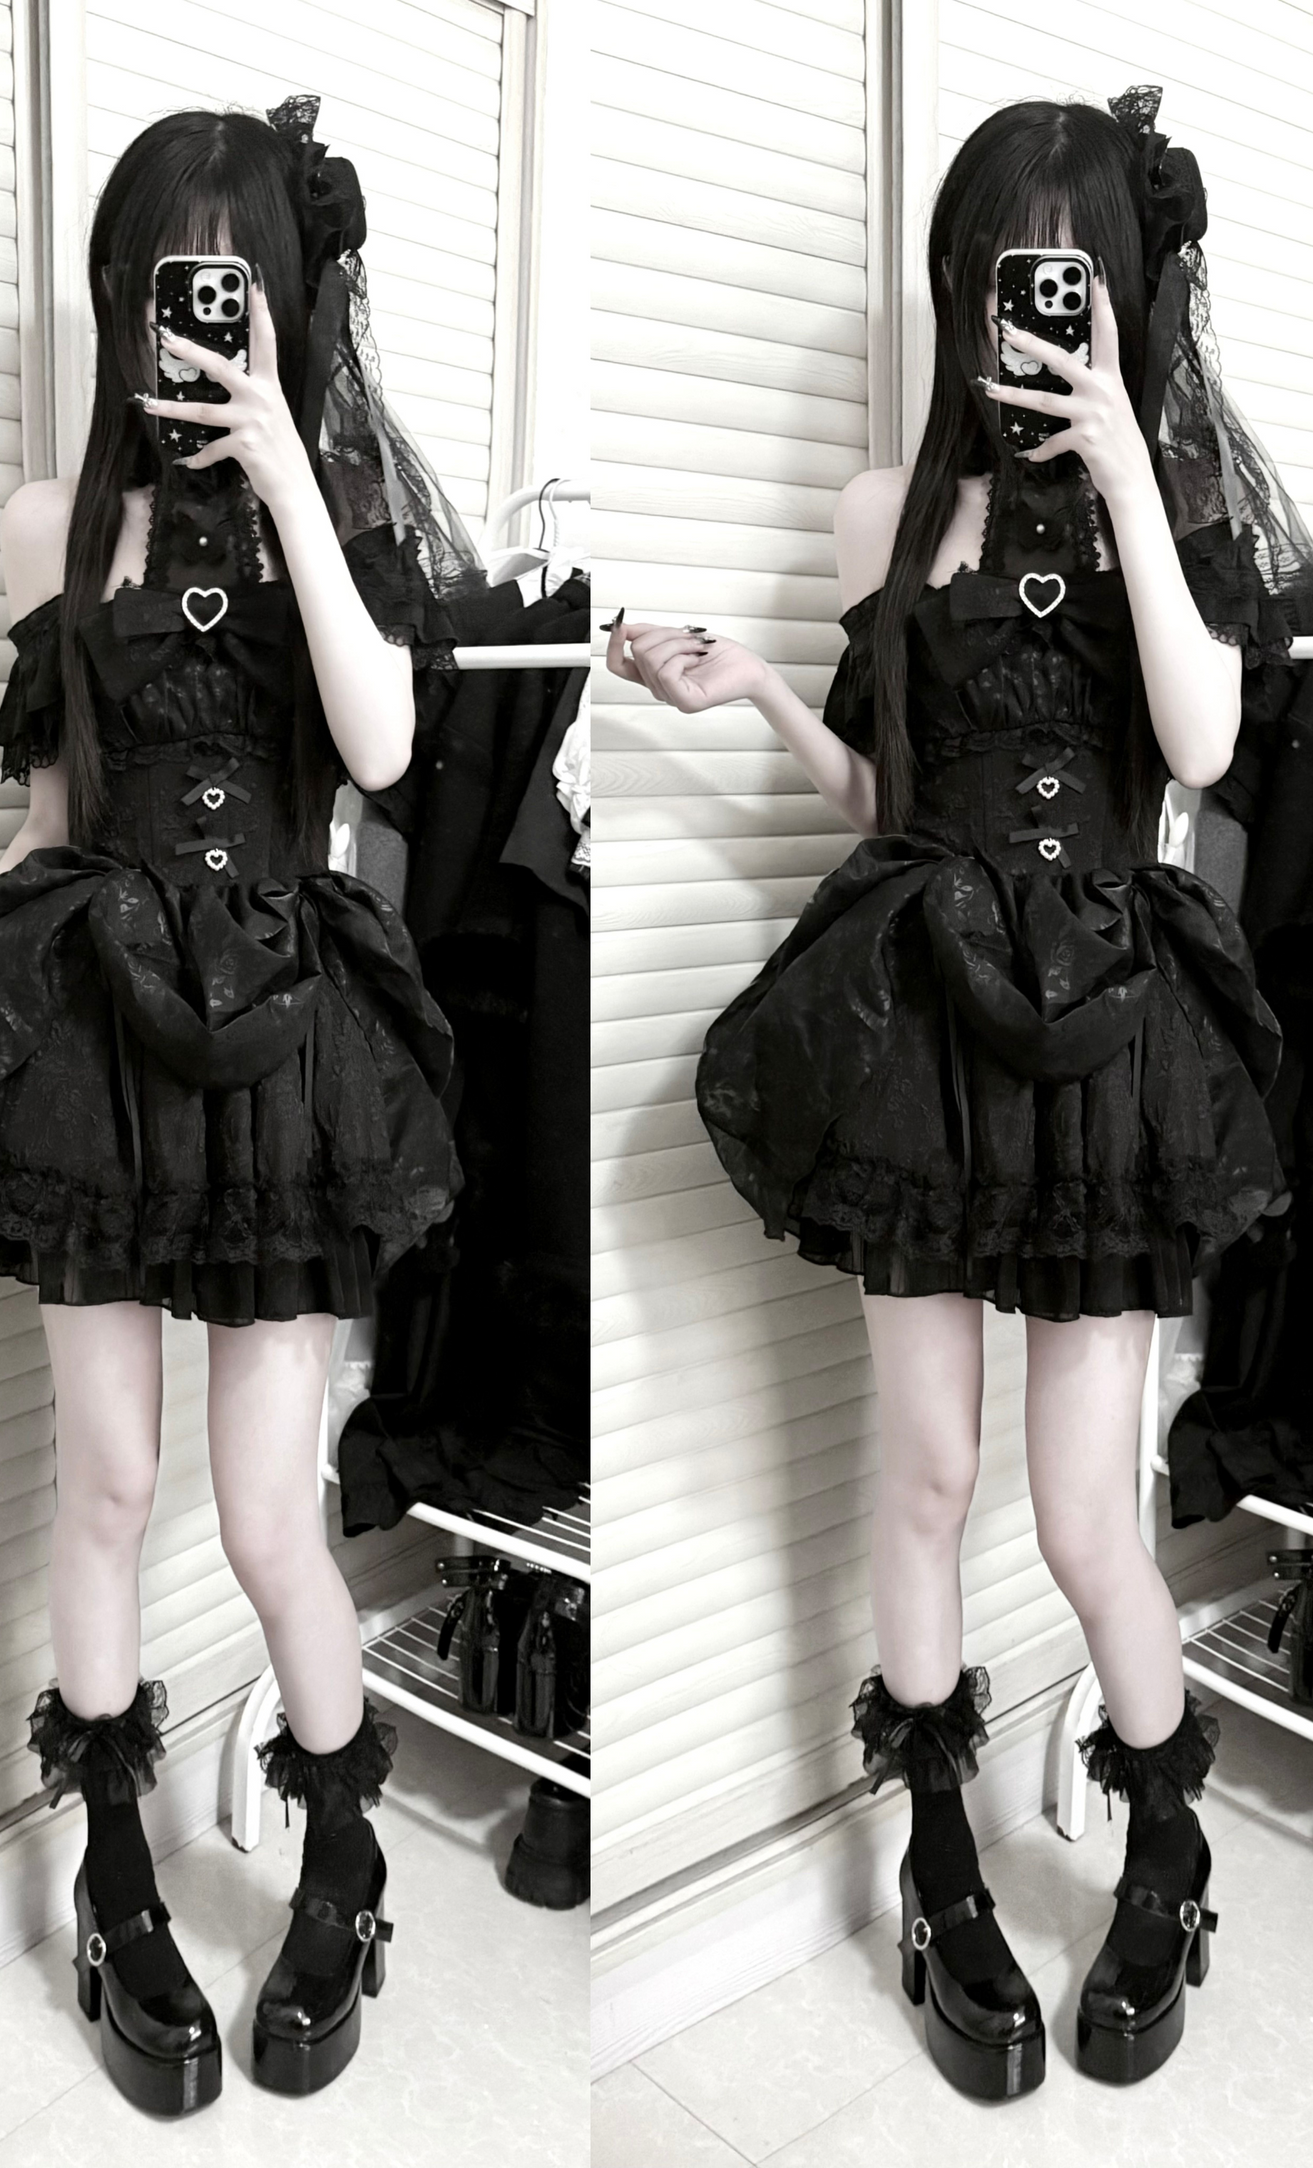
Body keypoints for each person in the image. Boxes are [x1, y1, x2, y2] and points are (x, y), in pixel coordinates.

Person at [606, 87, 1308, 2099]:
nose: (1028, 317)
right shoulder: (887, 514)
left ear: (1124, 295)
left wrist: (1123, 458)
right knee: (919, 1472)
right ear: (958, 289)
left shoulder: (1177, 501)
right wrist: (756, 689)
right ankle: (936, 1861)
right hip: (919, 1023)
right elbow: (893, 797)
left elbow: (1197, 747)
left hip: (1107, 1038)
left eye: (1065, 279)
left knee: (1083, 1508)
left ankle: (1165, 1844)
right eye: (1003, 277)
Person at [0, 98, 478, 2114]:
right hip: (101, 1051)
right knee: (106, 1484)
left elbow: (378, 754)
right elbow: (50, 821)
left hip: (286, 1052)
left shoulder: (343, 510)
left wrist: (288, 464)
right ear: (120, 300)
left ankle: (345, 1860)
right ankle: (117, 1878)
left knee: (264, 1509)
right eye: (157, 290)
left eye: (225, 292)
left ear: (283, 302)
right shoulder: (59, 526)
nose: (184, 328)